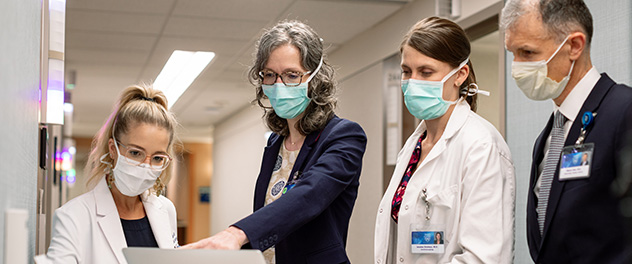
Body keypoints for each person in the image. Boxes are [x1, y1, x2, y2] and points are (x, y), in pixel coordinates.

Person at [182, 20, 367, 264]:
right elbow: (269, 217)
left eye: (292, 75)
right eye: (270, 75)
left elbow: (309, 196)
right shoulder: (275, 143)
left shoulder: (344, 136)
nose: (279, 85)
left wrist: (236, 233)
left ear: (316, 78)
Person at [374, 17, 515, 264]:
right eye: (407, 72)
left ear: (460, 74)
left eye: (426, 72)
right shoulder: (413, 147)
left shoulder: (481, 146)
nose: (413, 81)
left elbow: (484, 258)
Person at [502, 0, 632, 262]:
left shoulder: (624, 110)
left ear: (574, 46)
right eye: (512, 53)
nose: (517, 68)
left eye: (527, 53)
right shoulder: (548, 136)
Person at [40, 85, 180, 263]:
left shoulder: (166, 210)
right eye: (135, 153)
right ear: (113, 149)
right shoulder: (73, 216)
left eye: (157, 158)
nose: (146, 166)